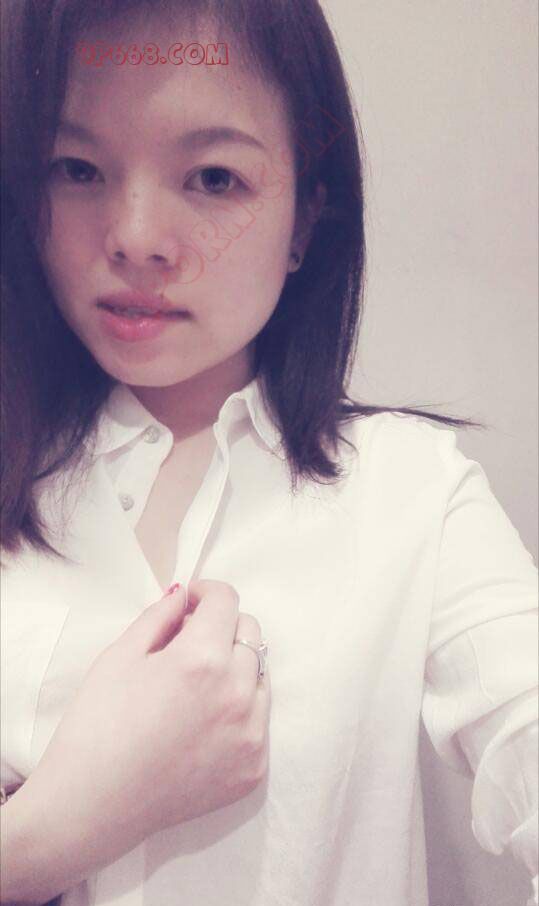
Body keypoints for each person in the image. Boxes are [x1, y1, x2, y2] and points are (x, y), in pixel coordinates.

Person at [0, 1, 537, 905]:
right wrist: (63, 826)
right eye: (77, 168)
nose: (135, 237)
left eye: (213, 178)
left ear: (305, 221)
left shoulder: (410, 493)